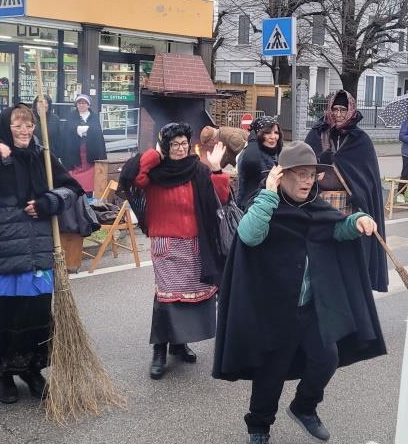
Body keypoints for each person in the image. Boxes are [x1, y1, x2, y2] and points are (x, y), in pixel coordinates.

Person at [214, 141, 387, 444]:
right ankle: (259, 427)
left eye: (312, 175)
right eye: (302, 175)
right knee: (271, 373)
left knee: (326, 358)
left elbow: (333, 231)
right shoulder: (265, 204)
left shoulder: (315, 207)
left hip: (310, 306)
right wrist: (268, 192)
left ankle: (304, 407)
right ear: (282, 175)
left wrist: (355, 221)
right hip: (274, 309)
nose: (308, 181)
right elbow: (249, 236)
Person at [0, 105, 82, 404]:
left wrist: (50, 201)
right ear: (5, 127)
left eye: (29, 125)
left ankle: (32, 370)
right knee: (1, 316)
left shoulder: (43, 157)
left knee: (34, 313)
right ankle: (4, 374)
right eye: (18, 125)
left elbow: (72, 188)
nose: (25, 130)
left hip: (35, 252)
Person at [131, 122, 230, 380]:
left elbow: (219, 197)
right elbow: (136, 177)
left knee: (189, 296)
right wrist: (155, 154)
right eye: (173, 144)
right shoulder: (155, 172)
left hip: (196, 243)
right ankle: (159, 351)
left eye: (183, 143)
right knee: (166, 298)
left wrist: (217, 169)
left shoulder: (197, 169)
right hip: (167, 244)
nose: (179, 148)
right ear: (165, 146)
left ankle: (179, 343)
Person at [305, 90, 388, 292]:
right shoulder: (317, 134)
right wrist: (318, 168)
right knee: (322, 251)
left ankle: (347, 290)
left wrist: (357, 191)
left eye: (343, 109)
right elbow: (303, 168)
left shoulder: (361, 140)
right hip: (320, 204)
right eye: (335, 109)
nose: (339, 114)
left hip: (349, 206)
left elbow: (368, 181)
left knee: (347, 251)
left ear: (350, 110)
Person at [60, 94, 106, 193]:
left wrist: (88, 130)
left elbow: (98, 134)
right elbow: (66, 133)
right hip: (75, 154)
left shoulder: (94, 117)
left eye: (84, 103)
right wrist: (76, 129)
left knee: (90, 175)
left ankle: (89, 193)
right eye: (79, 103)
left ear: (88, 105)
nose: (81, 105)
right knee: (75, 175)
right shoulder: (71, 116)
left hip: (90, 153)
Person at [236, 116, 283, 209]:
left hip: (269, 205)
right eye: (267, 132)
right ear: (258, 134)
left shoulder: (274, 153)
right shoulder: (251, 153)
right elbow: (251, 161)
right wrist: (253, 141)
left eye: (276, 132)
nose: (273, 137)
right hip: (250, 207)